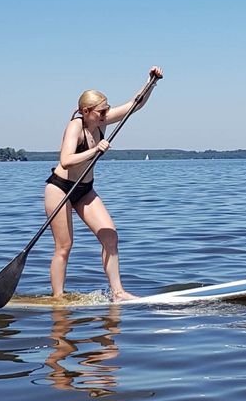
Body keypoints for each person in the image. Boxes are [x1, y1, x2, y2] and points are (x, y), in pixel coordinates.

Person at [44, 66, 163, 301]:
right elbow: (66, 160)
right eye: (101, 111)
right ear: (85, 111)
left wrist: (151, 82)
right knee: (64, 247)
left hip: (85, 189)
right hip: (60, 189)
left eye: (106, 110)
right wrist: (95, 150)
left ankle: (118, 293)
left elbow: (134, 105)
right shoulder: (75, 126)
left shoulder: (101, 121)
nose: (105, 115)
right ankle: (58, 298)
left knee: (110, 237)